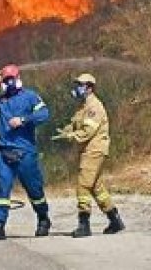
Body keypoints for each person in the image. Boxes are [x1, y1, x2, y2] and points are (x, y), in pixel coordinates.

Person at [52, 73, 125, 237]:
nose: (77, 88)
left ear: (90, 88)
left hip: (94, 150)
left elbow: (88, 131)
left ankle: (84, 225)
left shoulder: (94, 107)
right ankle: (115, 220)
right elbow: (76, 123)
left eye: (80, 85)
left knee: (83, 185)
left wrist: (72, 136)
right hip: (88, 150)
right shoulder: (83, 106)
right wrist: (66, 131)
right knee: (96, 186)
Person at [0, 64, 51, 241]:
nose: (9, 82)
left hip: (25, 152)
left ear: (19, 78)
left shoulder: (30, 97)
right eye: (6, 80)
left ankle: (43, 218)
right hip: (3, 152)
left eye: (12, 78)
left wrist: (23, 120)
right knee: (2, 190)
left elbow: (44, 114)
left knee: (34, 190)